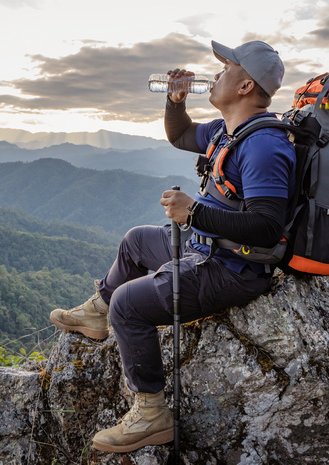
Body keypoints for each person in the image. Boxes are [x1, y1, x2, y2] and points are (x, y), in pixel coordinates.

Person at [50, 40, 295, 454]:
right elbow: (179, 134)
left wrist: (194, 214)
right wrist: (175, 98)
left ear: (245, 86)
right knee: (136, 240)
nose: (215, 73)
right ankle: (98, 312)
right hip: (204, 247)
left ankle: (151, 413)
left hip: (232, 269)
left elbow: (267, 227)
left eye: (226, 67)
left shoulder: (263, 146)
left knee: (130, 304)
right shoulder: (227, 131)